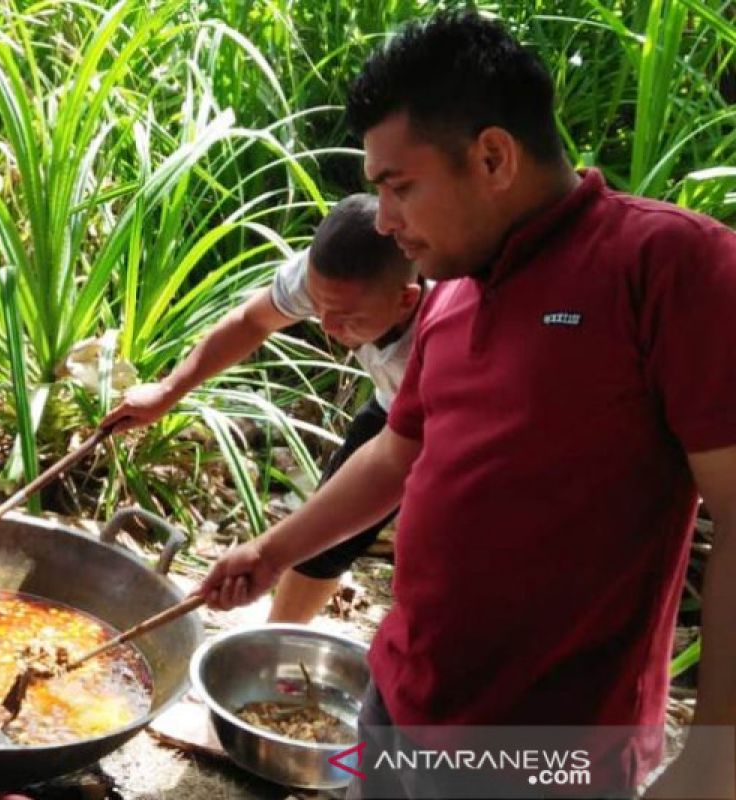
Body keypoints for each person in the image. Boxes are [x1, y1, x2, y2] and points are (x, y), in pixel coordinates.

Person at [198, 12, 736, 800]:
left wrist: (718, 759)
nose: (384, 221)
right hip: (394, 696)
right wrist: (273, 551)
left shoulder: (669, 267)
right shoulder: (450, 288)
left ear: (493, 156)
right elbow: (397, 452)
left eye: (399, 187)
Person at [103, 194, 425, 623]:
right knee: (320, 543)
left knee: (427, 564)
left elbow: (395, 462)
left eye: (345, 317)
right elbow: (252, 321)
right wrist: (166, 391)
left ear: (407, 299)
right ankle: (274, 651)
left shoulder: (445, 334)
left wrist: (266, 553)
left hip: (458, 431)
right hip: (392, 406)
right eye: (319, 306)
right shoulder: (329, 282)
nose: (326, 327)